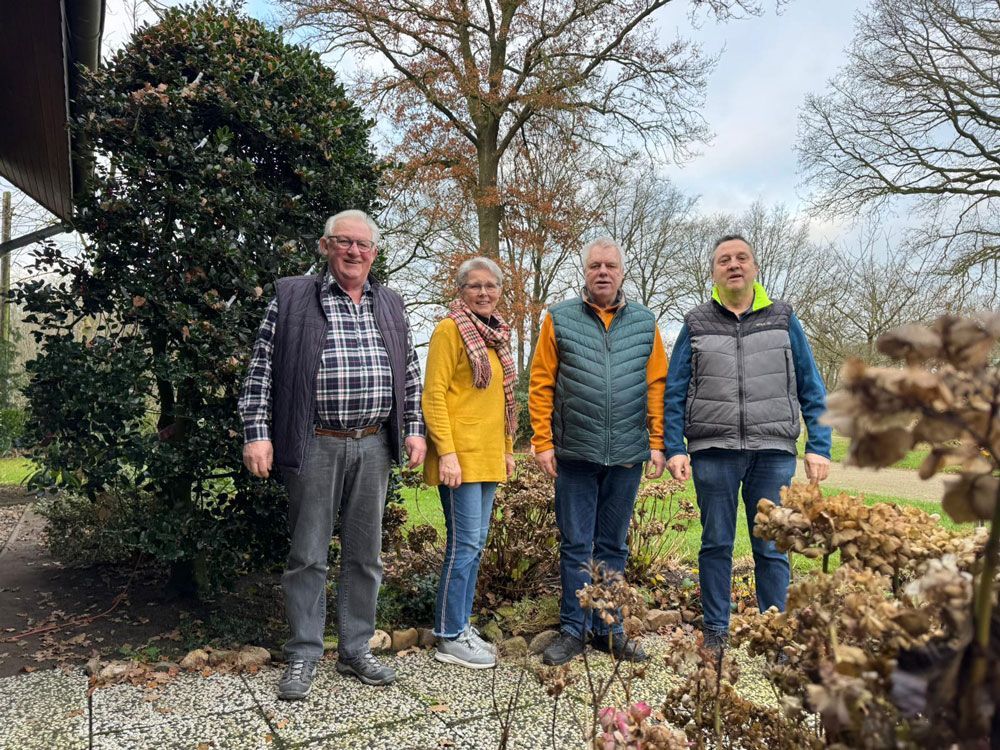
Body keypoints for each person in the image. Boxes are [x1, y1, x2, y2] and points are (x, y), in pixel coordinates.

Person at [238, 210, 426, 699]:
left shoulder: (391, 303)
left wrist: (414, 429)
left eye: (363, 245)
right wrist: (257, 433)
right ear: (325, 246)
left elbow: (407, 372)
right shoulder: (292, 297)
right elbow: (259, 373)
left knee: (366, 555)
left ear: (374, 253)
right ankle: (303, 653)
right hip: (315, 442)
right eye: (344, 242)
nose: (354, 252)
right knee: (308, 555)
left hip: (374, 445)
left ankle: (355, 649)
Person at [663, 234, 832, 652]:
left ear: (755, 268)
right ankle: (717, 632)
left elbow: (811, 384)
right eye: (724, 260)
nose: (733, 264)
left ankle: (776, 637)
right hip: (713, 452)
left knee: (772, 548)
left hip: (772, 452)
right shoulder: (696, 322)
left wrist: (819, 444)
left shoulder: (783, 318)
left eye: (741, 258)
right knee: (716, 543)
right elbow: (675, 390)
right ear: (714, 272)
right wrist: (675, 446)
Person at [528, 237, 667, 666]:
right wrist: (542, 441)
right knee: (575, 545)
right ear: (584, 272)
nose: (602, 272)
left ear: (621, 271)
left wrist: (658, 441)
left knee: (612, 545)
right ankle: (573, 628)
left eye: (610, 265)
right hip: (575, 454)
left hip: (627, 453)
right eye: (594, 266)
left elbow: (657, 384)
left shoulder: (645, 322)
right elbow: (541, 382)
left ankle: (609, 630)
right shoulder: (559, 317)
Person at [422, 257, 516, 670]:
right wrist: (447, 453)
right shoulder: (449, 330)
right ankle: (448, 635)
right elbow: (434, 395)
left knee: (474, 548)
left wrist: (508, 448)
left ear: (499, 292)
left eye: (490, 286)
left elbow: (503, 401)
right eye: (474, 286)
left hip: (488, 456)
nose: (483, 293)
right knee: (463, 548)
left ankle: (460, 624)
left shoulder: (497, 336)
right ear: (460, 291)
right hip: (458, 460)